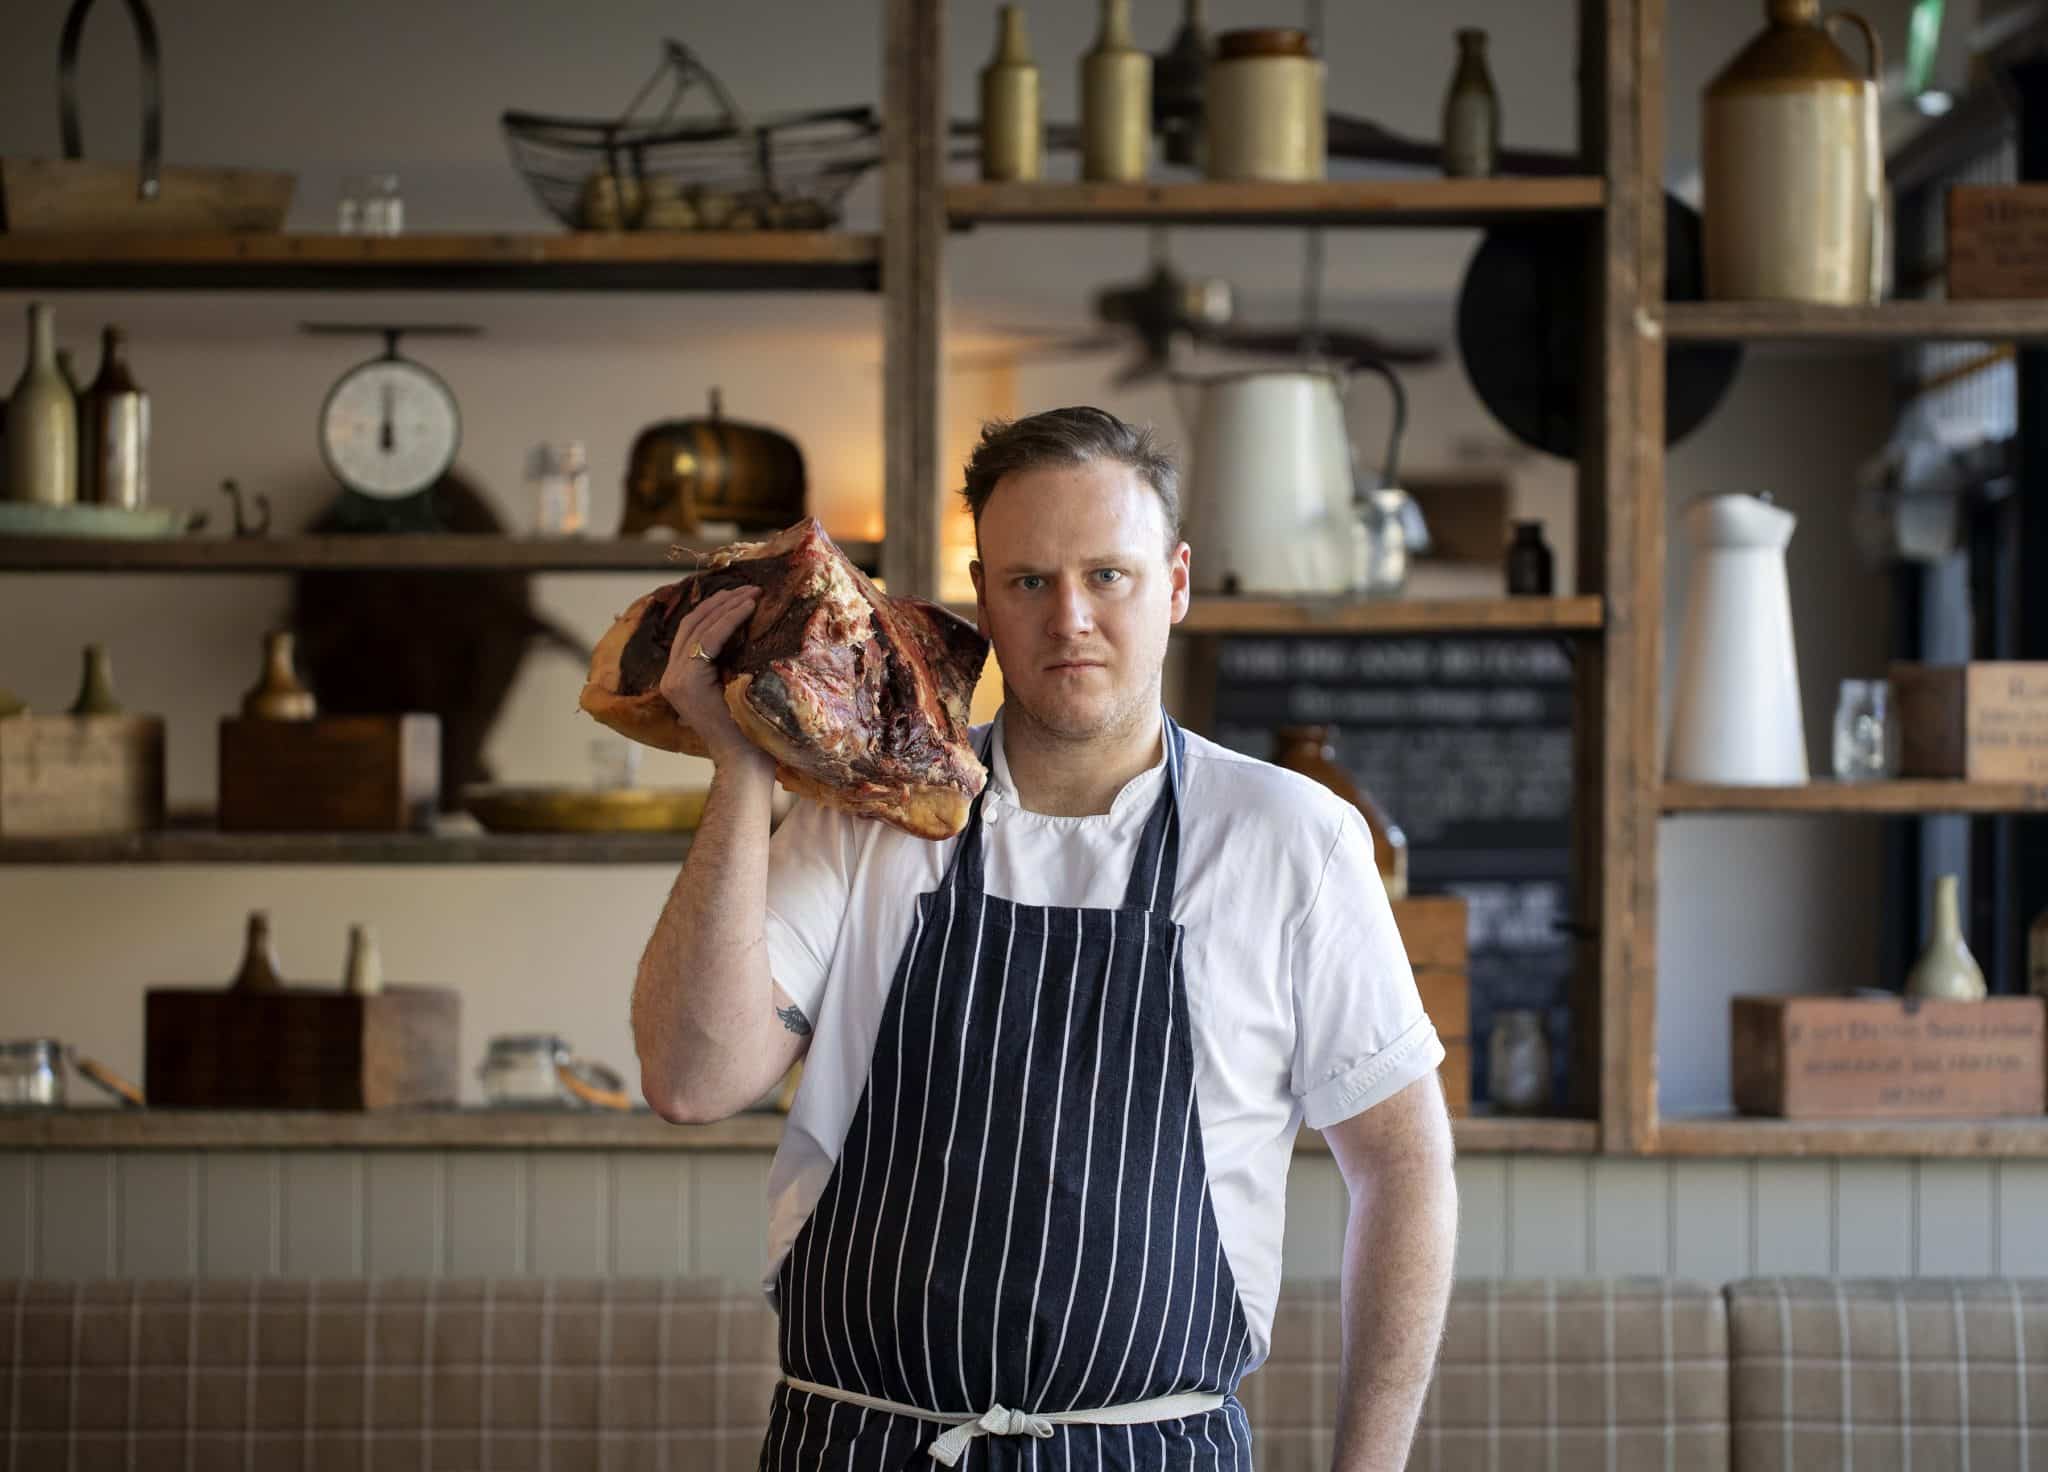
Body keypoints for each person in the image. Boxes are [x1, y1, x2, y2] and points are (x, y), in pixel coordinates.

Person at [632, 406, 1459, 1471]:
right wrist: (743, 766)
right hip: (857, 1445)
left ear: (1174, 582)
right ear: (983, 593)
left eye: (1106, 575)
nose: (1068, 617)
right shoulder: (864, 815)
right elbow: (690, 1079)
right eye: (1028, 580)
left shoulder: (1289, 842)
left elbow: (1402, 1166)